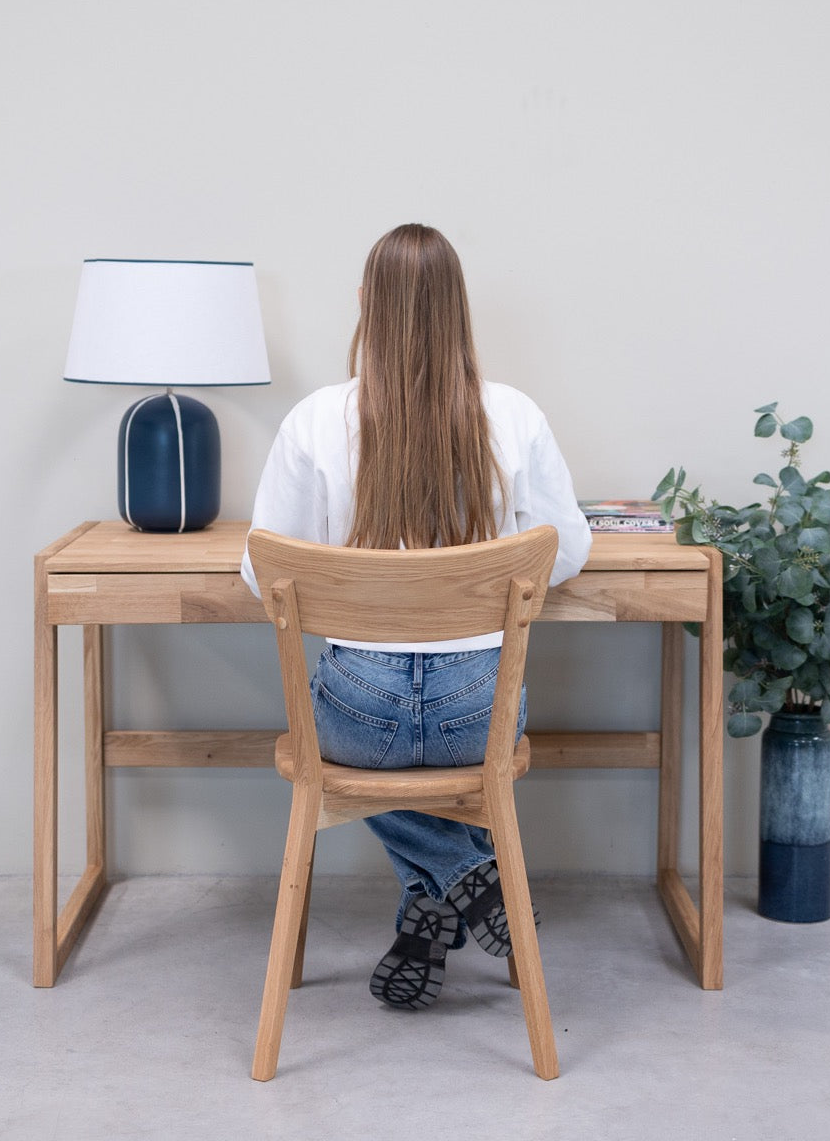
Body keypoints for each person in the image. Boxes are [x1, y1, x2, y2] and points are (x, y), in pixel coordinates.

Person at [240, 223, 591, 1010]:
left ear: (367, 303)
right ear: (457, 308)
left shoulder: (315, 420)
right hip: (478, 715)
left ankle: (448, 890)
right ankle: (471, 876)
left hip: (358, 719)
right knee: (456, 755)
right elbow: (565, 553)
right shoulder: (515, 416)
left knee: (332, 753)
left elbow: (263, 572)